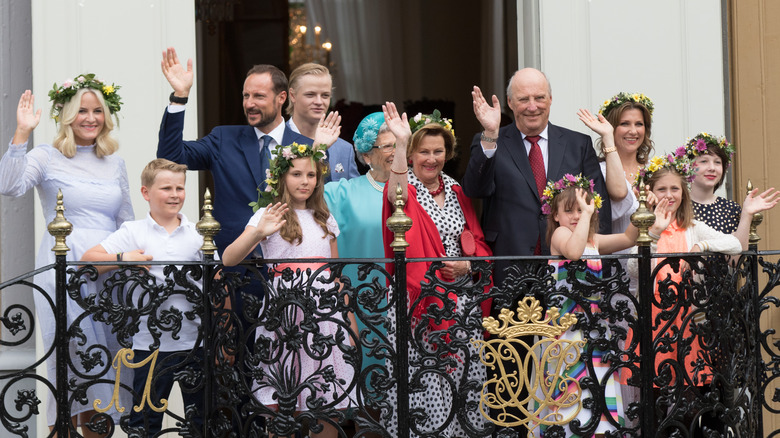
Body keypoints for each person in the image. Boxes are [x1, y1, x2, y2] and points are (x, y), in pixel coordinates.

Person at [0, 75, 132, 435]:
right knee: (75, 362)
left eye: (97, 111)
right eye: (81, 111)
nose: (90, 118)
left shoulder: (115, 164)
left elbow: (127, 223)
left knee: (109, 364)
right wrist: (22, 134)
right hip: (64, 269)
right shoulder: (46, 155)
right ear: (66, 116)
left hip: (109, 275)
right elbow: (9, 186)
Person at [223, 142, 358, 438]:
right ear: (282, 177)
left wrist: (350, 325)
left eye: (311, 175)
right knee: (281, 408)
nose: (305, 181)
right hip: (283, 317)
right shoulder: (266, 216)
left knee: (325, 407)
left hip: (323, 317)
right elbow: (229, 258)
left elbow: (336, 277)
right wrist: (259, 231)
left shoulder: (325, 218)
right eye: (296, 174)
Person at [380, 102, 491, 437]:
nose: (431, 158)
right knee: (425, 388)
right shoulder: (405, 187)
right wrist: (400, 142)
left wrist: (467, 265)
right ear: (412, 154)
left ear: (448, 152)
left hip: (461, 305)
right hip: (419, 308)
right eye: (423, 151)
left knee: (464, 385)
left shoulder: (458, 190)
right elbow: (394, 193)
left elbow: (481, 243)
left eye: (438, 151)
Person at [82, 159, 207, 436]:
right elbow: (87, 261)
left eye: (180, 188)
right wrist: (124, 258)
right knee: (145, 423)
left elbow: (216, 280)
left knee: (199, 422)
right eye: (166, 188)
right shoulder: (133, 231)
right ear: (145, 193)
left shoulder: (199, 233)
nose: (175, 194)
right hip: (149, 346)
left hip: (195, 343)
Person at [157, 47, 315, 255]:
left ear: (281, 97)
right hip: (233, 265)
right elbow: (171, 157)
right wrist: (179, 97)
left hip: (290, 264)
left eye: (258, 96)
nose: (249, 103)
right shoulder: (223, 139)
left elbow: (318, 209)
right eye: (246, 96)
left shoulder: (307, 148)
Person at [630, 154, 742, 438]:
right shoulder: (642, 226)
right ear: (650, 194)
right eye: (662, 189)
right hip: (654, 323)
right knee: (656, 395)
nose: (669, 195)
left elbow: (733, 242)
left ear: (684, 192)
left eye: (675, 189)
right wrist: (653, 232)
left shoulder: (691, 227)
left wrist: (702, 244)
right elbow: (633, 270)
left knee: (690, 393)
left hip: (687, 323)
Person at [463, 68, 611, 280]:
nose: (532, 107)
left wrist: (599, 263)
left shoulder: (578, 144)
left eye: (539, 98)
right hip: (509, 266)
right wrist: (489, 135)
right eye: (523, 99)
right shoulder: (490, 140)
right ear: (510, 102)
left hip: (569, 268)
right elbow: (474, 189)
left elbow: (599, 207)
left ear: (550, 99)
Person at [532, 175, 638, 437]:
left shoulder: (595, 241)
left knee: (598, 384)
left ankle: (601, 430)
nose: (577, 215)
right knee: (570, 383)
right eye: (569, 211)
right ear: (555, 215)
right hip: (566, 328)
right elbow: (573, 252)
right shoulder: (560, 235)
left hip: (594, 327)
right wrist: (587, 216)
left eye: (582, 209)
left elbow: (628, 238)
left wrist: (646, 211)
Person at [323, 112, 393, 419]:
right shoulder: (343, 193)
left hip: (416, 302)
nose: (395, 151)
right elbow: (293, 193)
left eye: (400, 144)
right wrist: (315, 150)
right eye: (387, 145)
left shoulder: (423, 190)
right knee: (369, 398)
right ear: (365, 155)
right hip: (364, 309)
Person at [683, 132, 779, 249]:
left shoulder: (730, 209)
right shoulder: (678, 205)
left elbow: (737, 258)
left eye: (717, 162)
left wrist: (747, 214)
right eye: (704, 161)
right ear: (689, 166)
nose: (712, 168)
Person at [286, 63, 359, 181]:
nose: (319, 101)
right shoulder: (274, 141)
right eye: (310, 94)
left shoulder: (344, 149)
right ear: (292, 95)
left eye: (325, 95)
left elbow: (354, 196)